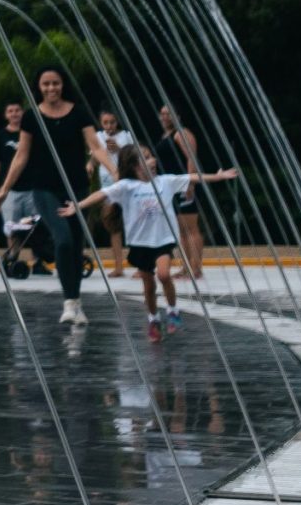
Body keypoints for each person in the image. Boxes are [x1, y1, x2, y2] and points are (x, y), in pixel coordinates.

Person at [64, 145, 239, 340]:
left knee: (164, 275)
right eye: (146, 158)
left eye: (151, 157)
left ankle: (173, 310)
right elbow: (101, 194)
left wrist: (218, 177)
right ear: (133, 166)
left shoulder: (165, 182)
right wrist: (77, 206)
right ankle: (153, 319)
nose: (153, 161)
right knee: (148, 286)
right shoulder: (127, 187)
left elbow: (193, 177)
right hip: (140, 244)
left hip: (162, 240)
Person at [0, 69, 111, 326]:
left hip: (77, 189)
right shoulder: (31, 117)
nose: (51, 88)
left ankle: (75, 302)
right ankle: (69, 303)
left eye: (55, 83)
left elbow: (95, 146)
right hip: (44, 188)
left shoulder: (78, 112)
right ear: (39, 86)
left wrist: (115, 171)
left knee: (76, 245)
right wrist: (4, 190)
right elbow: (21, 155)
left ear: (62, 85)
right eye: (45, 84)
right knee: (63, 239)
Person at [154, 104, 206, 279]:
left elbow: (192, 157)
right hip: (172, 187)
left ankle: (196, 268)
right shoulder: (166, 135)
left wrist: (190, 183)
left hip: (184, 185)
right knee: (181, 229)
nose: (165, 117)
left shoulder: (182, 133)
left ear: (177, 116)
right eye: (162, 114)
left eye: (169, 114)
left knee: (191, 228)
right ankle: (187, 266)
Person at [0, 102, 29, 255]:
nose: (14, 114)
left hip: (30, 187)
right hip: (9, 188)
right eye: (10, 111)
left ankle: (39, 260)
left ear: (22, 112)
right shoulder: (0, 137)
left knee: (35, 227)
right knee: (11, 226)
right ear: (6, 115)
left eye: (17, 110)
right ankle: (14, 256)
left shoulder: (29, 134)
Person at [96, 110, 136, 254]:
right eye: (105, 123)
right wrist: (89, 165)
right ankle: (118, 265)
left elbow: (134, 157)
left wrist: (119, 149)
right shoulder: (98, 137)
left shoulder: (126, 136)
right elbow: (95, 155)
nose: (109, 126)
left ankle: (138, 259)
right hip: (106, 182)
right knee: (111, 222)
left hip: (125, 181)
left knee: (132, 219)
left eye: (112, 122)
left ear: (117, 121)